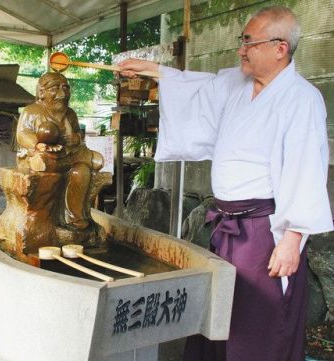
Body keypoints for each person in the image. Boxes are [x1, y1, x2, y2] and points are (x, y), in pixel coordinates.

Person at [119, 5, 333, 361]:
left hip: (264, 235)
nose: (241, 50)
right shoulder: (239, 83)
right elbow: (202, 88)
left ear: (280, 48)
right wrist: (154, 71)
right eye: (241, 41)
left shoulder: (302, 99)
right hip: (228, 227)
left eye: (249, 42)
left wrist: (293, 238)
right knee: (220, 319)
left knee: (256, 326)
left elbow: (306, 167)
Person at [16, 72, 103, 229]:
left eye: (65, 88)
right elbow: (22, 134)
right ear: (41, 92)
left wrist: (76, 137)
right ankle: (45, 219)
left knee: (82, 171)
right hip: (45, 154)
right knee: (46, 163)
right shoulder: (31, 111)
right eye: (54, 89)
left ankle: (74, 217)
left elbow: (78, 133)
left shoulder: (70, 114)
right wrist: (37, 144)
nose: (62, 94)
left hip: (69, 154)